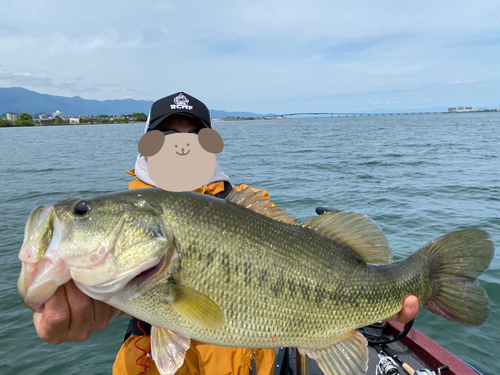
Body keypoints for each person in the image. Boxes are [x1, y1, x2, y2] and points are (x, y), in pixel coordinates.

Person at [33, 92, 420, 375]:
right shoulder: (130, 219)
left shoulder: (242, 205)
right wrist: (62, 306)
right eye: (167, 135)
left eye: (193, 136)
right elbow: (94, 293)